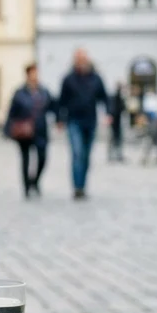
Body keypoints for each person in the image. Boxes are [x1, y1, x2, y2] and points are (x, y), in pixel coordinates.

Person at [57, 48, 110, 199]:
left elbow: (104, 97)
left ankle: (83, 185)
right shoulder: (68, 79)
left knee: (86, 156)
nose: (81, 62)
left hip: (90, 121)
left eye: (83, 59)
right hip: (74, 121)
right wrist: (59, 119)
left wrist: (108, 113)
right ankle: (77, 188)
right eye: (78, 59)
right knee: (77, 154)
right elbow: (62, 100)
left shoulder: (96, 78)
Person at [6, 63, 55, 198]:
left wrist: (59, 119)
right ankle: (26, 187)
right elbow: (12, 112)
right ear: (27, 74)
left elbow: (52, 106)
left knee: (42, 158)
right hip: (24, 131)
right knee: (25, 160)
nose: (35, 76)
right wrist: (8, 129)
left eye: (37, 73)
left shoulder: (44, 91)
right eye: (33, 73)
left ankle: (35, 181)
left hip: (40, 130)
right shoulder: (19, 92)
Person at [107, 83, 127, 162]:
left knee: (118, 139)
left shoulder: (120, 97)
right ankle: (112, 155)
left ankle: (117, 155)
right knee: (113, 139)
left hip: (118, 121)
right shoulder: (114, 97)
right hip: (114, 121)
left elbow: (123, 108)